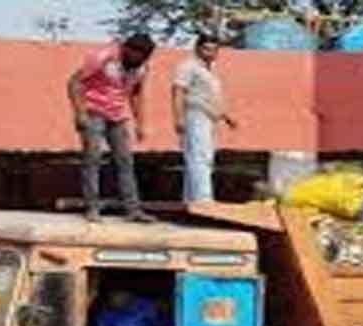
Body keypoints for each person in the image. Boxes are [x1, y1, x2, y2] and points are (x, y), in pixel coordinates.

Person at [68, 34, 158, 223]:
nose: (139, 60)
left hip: (117, 114)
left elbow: (135, 93)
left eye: (144, 57)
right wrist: (80, 113)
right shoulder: (103, 57)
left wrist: (140, 123)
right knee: (93, 158)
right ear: (127, 49)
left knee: (125, 161)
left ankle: (133, 210)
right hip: (93, 111)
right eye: (136, 55)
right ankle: (92, 208)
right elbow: (74, 82)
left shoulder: (141, 67)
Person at [173, 34, 239, 203]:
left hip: (209, 117)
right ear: (197, 48)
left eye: (214, 49)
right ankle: (203, 199)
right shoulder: (188, 66)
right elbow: (178, 91)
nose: (210, 53)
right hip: (195, 114)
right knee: (200, 156)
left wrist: (226, 117)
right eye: (206, 48)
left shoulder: (209, 72)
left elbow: (211, 98)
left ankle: (190, 200)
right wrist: (178, 117)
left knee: (201, 157)